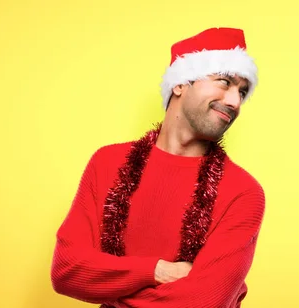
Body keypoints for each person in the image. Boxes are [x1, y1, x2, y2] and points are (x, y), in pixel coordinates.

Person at [50, 27, 265, 308]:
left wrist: (110, 288)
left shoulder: (243, 192)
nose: (235, 102)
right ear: (180, 84)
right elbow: (66, 271)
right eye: (224, 82)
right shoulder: (108, 163)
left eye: (243, 92)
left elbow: (203, 303)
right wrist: (156, 271)